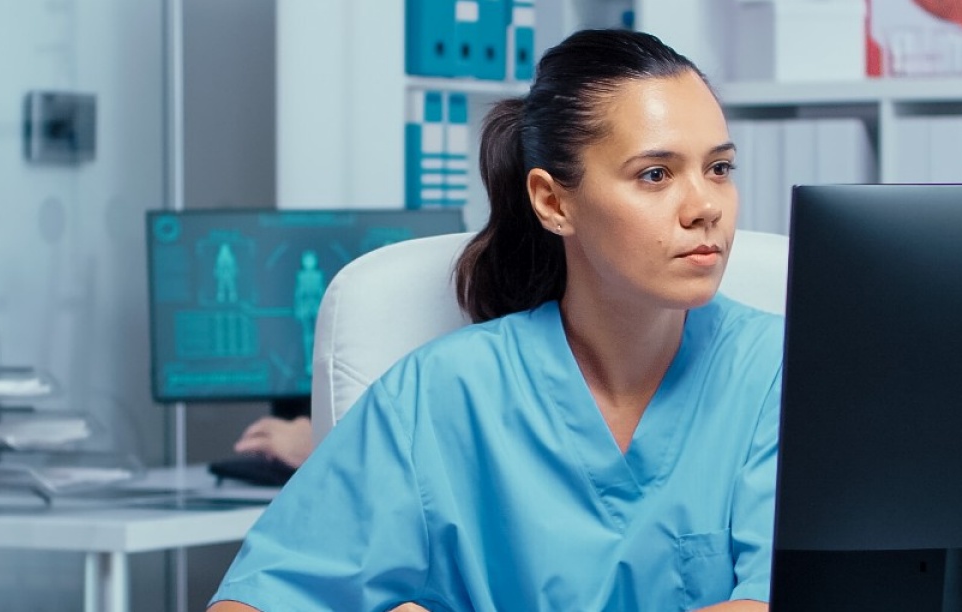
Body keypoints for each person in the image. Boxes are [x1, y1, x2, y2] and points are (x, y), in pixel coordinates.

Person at [211, 29, 776, 611]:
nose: (706, 206)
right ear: (553, 202)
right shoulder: (438, 396)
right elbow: (256, 599)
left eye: (719, 168)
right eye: (655, 174)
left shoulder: (785, 376)